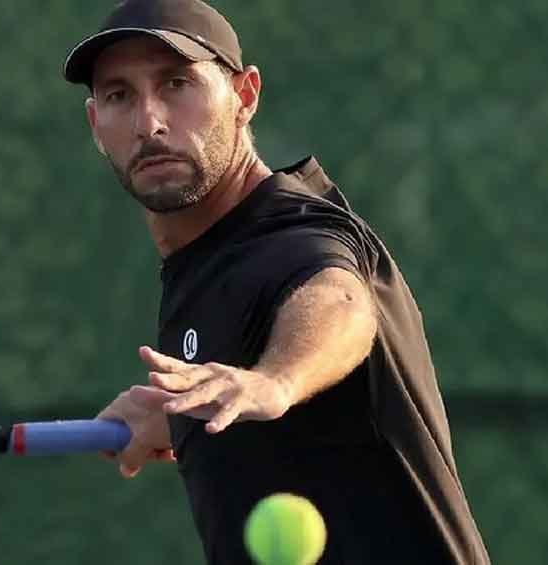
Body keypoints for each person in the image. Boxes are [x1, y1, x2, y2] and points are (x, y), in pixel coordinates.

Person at [62, 0, 490, 563]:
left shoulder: (293, 234)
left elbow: (339, 299)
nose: (150, 123)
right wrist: (181, 415)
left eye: (176, 84)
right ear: (96, 124)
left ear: (245, 96)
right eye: (120, 96)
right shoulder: (206, 257)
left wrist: (276, 381)